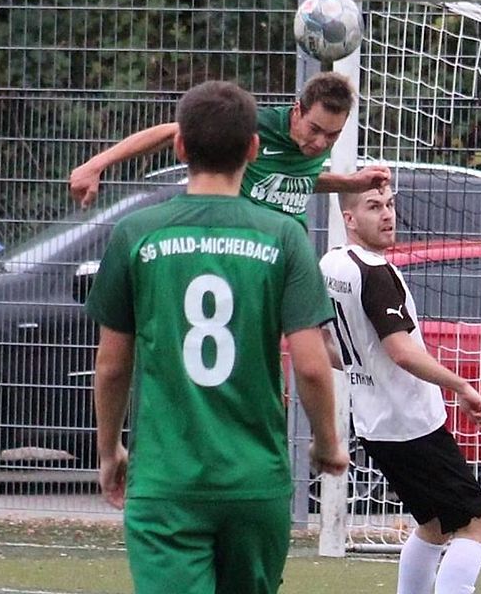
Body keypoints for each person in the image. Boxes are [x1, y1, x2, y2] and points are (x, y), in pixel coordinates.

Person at [85, 80, 349, 594]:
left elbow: (113, 365)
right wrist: (326, 443)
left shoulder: (136, 235)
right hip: (256, 481)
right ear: (253, 149)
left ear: (180, 146)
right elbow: (313, 366)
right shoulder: (284, 237)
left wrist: (109, 449)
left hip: (167, 481)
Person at [319, 186, 481, 594]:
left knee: (433, 526)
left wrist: (363, 365)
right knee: (473, 524)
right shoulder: (375, 273)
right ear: (349, 218)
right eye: (373, 207)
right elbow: (401, 351)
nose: (387, 215)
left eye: (390, 205)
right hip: (410, 423)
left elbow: (329, 345)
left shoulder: (331, 265)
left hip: (372, 422)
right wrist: (460, 385)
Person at [70, 71, 390, 226]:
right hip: (246, 251)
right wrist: (97, 164)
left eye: (332, 136)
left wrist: (349, 184)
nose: (321, 142)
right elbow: (173, 132)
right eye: (315, 130)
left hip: (289, 255)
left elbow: (292, 178)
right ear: (297, 111)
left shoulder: (313, 145)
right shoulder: (256, 125)